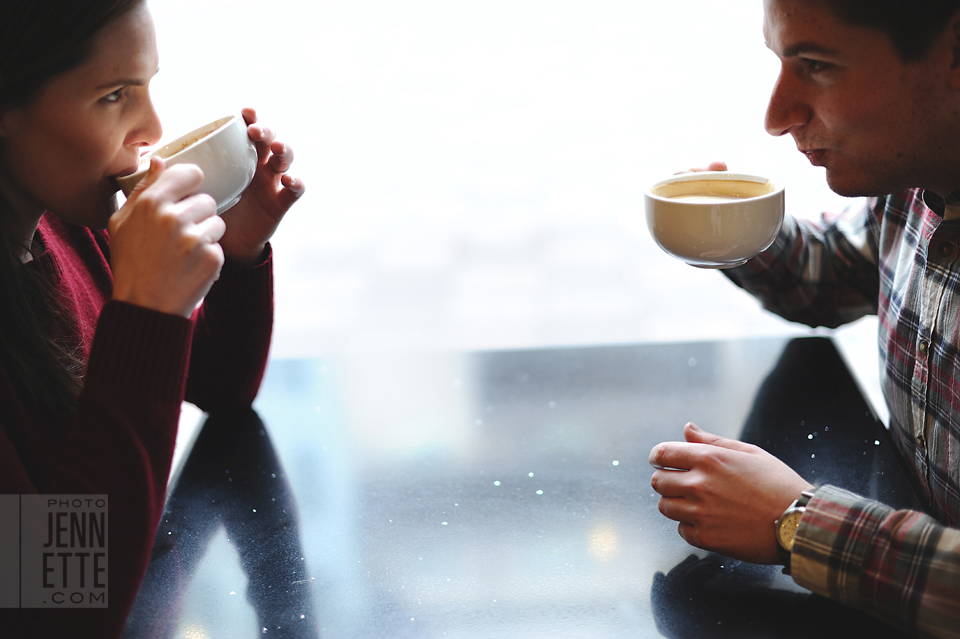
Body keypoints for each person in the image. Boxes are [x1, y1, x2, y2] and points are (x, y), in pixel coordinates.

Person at [649, 1, 960, 637]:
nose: (774, 117)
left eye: (816, 65)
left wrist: (796, 523)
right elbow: (832, 275)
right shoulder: (917, 185)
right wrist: (736, 227)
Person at [0, 0, 303, 636]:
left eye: (148, 86)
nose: (153, 126)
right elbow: (61, 602)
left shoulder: (59, 226)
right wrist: (145, 311)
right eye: (115, 95)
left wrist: (238, 248)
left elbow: (218, 387)